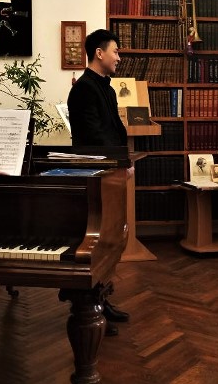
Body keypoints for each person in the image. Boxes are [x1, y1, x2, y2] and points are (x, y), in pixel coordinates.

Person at [67, 28, 129, 335]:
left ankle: (103, 299)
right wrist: (118, 162)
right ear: (99, 53)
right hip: (96, 175)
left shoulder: (107, 88)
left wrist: (125, 160)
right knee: (99, 242)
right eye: (115, 51)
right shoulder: (83, 89)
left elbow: (115, 129)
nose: (119, 57)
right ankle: (91, 307)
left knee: (111, 239)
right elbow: (93, 136)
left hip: (111, 171)